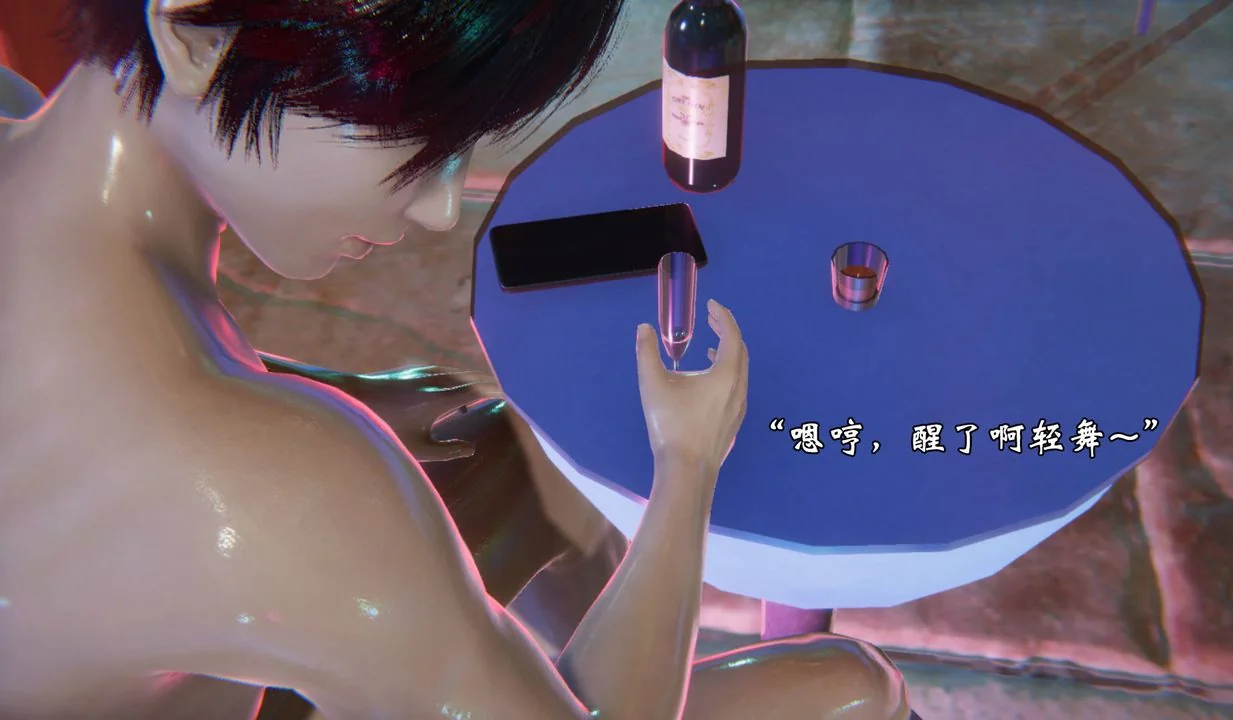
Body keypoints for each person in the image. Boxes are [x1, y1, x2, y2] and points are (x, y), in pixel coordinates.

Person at [0, 0, 911, 718]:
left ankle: (486, 643)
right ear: (193, 36)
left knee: (499, 446)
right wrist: (687, 465)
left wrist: (320, 393)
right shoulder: (276, 489)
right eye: (415, 136)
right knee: (848, 689)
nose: (442, 209)